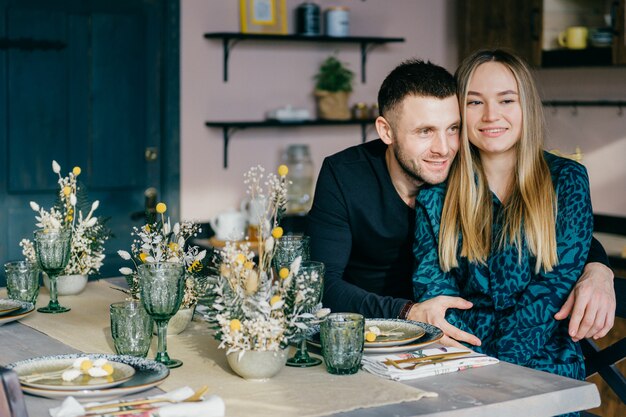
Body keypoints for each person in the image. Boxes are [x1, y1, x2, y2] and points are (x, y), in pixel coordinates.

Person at [306, 58, 615, 347]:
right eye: (425, 131)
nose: (443, 149)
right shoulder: (345, 175)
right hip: (375, 335)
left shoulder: (467, 167)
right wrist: (409, 312)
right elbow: (320, 285)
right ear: (386, 131)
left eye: (453, 128)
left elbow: (560, 236)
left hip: (456, 345)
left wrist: (599, 269)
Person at [412, 49, 591, 388]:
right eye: (475, 102)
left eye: (507, 100)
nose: (491, 115)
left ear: (526, 107)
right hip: (459, 364)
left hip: (544, 367)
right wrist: (470, 365)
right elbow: (434, 290)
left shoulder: (567, 180)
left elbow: (553, 287)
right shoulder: (436, 194)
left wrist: (496, 371)